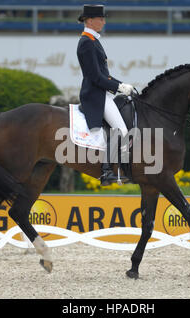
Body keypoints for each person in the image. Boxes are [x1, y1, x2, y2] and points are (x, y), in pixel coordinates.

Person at [76, 4, 133, 186]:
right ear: (90, 20)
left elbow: (104, 75)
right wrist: (118, 87)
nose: (103, 21)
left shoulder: (93, 40)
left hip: (101, 92)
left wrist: (121, 84)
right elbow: (95, 77)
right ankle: (106, 170)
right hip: (95, 95)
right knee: (121, 131)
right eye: (100, 19)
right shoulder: (86, 42)